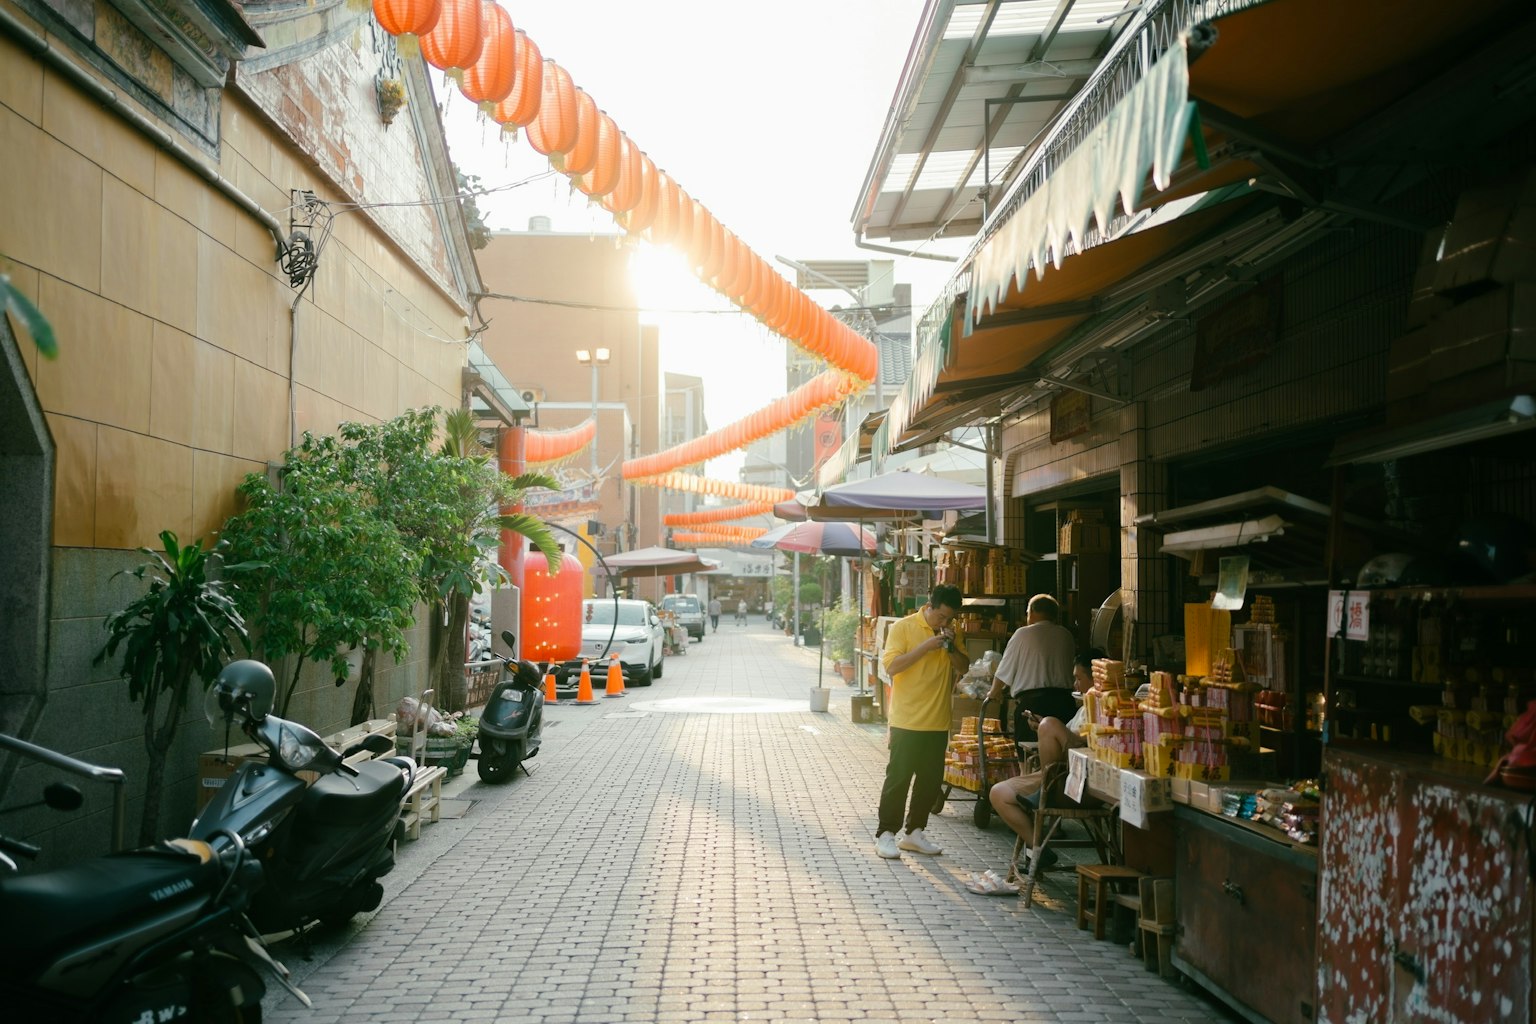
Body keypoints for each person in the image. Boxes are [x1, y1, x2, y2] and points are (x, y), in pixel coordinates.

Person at [874, 584, 970, 860]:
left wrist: (951, 648)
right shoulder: (902, 628)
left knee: (929, 781)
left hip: (938, 720)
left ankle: (914, 833)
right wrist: (926, 646)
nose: (945, 622)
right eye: (941, 617)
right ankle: (885, 834)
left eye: (950, 618)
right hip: (906, 720)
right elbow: (892, 666)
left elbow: (963, 667)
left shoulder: (953, 631)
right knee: (898, 779)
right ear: (929, 606)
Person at [987, 650, 1101, 867]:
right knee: (998, 793)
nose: (1075, 685)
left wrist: (1049, 727)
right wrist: (1043, 727)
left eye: (1079, 678)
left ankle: (1045, 788)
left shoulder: (1104, 709)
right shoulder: (1083, 709)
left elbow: (1089, 743)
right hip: (1056, 776)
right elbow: (1067, 735)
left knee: (1049, 723)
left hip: (1078, 782)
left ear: (1095, 679)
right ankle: (1038, 847)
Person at [987, 594, 1076, 745]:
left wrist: (994, 692)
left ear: (1032, 612)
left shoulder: (1022, 634)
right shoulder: (1066, 635)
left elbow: (1004, 671)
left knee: (1029, 754)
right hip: (1064, 705)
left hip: (1033, 706)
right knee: (1061, 754)